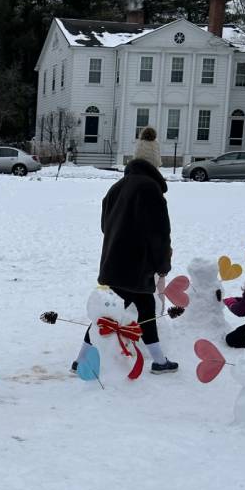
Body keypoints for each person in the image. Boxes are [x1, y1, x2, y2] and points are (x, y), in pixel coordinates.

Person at [82, 157, 178, 374]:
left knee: (108, 314)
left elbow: (105, 226)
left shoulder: (115, 188)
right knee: (143, 311)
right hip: (138, 266)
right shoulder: (151, 189)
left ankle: (82, 359)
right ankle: (159, 361)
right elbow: (160, 234)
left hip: (113, 263)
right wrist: (163, 264)